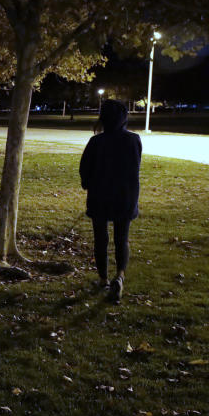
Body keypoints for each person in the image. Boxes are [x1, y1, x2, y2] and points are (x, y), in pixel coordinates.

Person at [79, 100, 142, 303]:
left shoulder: (96, 142)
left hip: (100, 196)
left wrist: (88, 183)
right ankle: (120, 275)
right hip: (125, 196)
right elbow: (135, 166)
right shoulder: (134, 140)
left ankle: (103, 279)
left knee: (101, 238)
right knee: (121, 238)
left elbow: (84, 170)